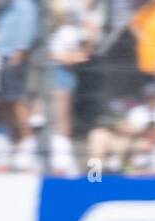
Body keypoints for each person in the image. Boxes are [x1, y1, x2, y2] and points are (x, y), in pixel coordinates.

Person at [0, 0, 38, 135]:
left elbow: (26, 34)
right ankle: (14, 137)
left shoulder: (25, 6)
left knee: (16, 102)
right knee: (4, 102)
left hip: (13, 58)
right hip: (1, 57)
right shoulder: (6, 6)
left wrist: (19, 55)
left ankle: (28, 138)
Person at [48, 0, 88, 138]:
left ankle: (63, 144)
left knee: (62, 115)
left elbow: (76, 57)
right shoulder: (51, 30)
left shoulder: (68, 31)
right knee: (50, 115)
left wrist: (51, 56)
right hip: (49, 73)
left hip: (62, 74)